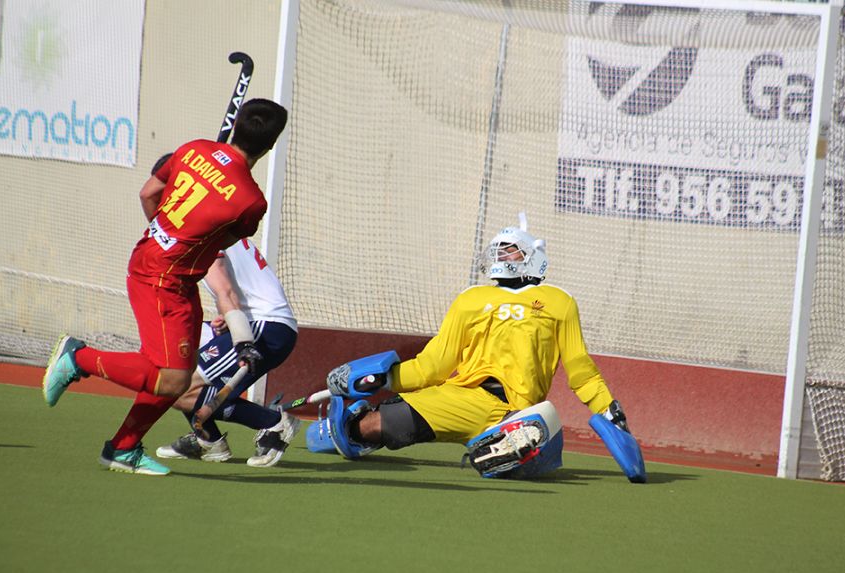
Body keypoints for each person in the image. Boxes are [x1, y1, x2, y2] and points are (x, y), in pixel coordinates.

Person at [42, 98, 288, 476]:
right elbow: (221, 242)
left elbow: (148, 193)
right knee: (172, 377)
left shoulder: (192, 149)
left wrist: (165, 231)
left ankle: (122, 448)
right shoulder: (251, 202)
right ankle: (78, 358)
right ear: (271, 145)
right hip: (163, 279)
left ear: (236, 124)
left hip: (162, 266)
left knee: (179, 376)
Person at [309, 214, 645, 481]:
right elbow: (433, 365)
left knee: (545, 417)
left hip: (515, 411)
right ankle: (354, 428)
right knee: (368, 427)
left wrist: (609, 412)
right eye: (498, 248)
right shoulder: (471, 298)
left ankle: (503, 450)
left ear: (533, 256)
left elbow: (582, 373)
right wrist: (382, 379)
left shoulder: (559, 302)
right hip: (461, 398)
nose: (502, 253)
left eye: (511, 248)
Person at [155, 238, 299, 468]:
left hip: (265, 327)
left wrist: (237, 326)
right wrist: (229, 317)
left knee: (177, 386)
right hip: (257, 322)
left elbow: (226, 291)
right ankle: (208, 440)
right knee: (177, 366)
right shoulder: (216, 227)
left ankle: (274, 423)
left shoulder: (204, 233)